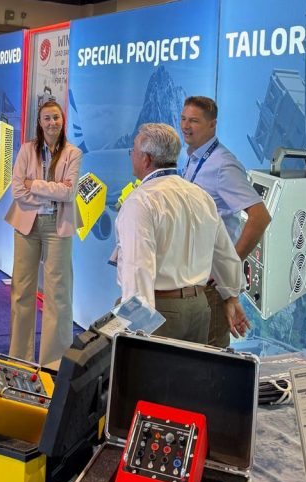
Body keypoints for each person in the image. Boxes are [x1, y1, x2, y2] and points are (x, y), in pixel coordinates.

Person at [115, 123, 249, 345]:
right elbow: (224, 254)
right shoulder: (201, 196)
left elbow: (137, 268)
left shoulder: (141, 201)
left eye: (133, 151)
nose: (131, 156)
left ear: (146, 159)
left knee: (150, 369)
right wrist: (231, 298)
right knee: (188, 369)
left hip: (159, 311)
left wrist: (136, 333)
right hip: (199, 308)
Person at [180, 96, 271, 348]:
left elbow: (260, 217)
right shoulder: (193, 158)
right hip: (194, 279)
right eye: (183, 119)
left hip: (212, 285)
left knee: (209, 356)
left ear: (212, 125)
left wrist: (230, 263)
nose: (185, 126)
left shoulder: (222, 165)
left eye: (194, 121)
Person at [6, 100, 81, 367]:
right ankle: (19, 357)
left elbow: (68, 192)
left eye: (56, 118)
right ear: (39, 122)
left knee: (58, 293)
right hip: (27, 225)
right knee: (21, 290)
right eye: (47, 118)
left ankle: (54, 362)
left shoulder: (73, 153)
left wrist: (34, 185)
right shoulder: (27, 150)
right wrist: (50, 191)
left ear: (63, 121)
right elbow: (18, 191)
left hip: (57, 227)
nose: (52, 123)